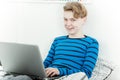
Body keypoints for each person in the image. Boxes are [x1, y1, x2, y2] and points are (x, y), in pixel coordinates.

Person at [44, 2, 99, 79]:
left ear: (84, 20)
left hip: (69, 77)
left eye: (73, 20)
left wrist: (60, 71)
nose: (68, 24)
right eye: (65, 19)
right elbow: (46, 63)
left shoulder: (91, 43)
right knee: (23, 77)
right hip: (50, 77)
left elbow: (86, 72)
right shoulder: (57, 41)